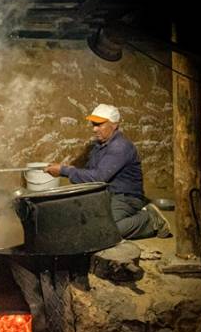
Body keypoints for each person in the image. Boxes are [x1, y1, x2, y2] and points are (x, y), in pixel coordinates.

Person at [45, 103, 172, 240]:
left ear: (114, 125)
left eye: (99, 125)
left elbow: (99, 177)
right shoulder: (99, 146)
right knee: (77, 220)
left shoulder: (120, 147)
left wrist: (65, 171)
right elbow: (92, 172)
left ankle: (150, 220)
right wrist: (70, 169)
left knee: (107, 231)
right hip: (106, 196)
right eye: (94, 124)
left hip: (125, 198)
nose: (94, 129)